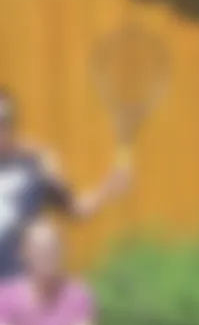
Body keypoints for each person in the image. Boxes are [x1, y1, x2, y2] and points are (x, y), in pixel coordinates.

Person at [0, 90, 129, 278]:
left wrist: (108, 188)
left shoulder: (34, 167)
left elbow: (77, 209)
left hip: (18, 289)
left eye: (5, 121)